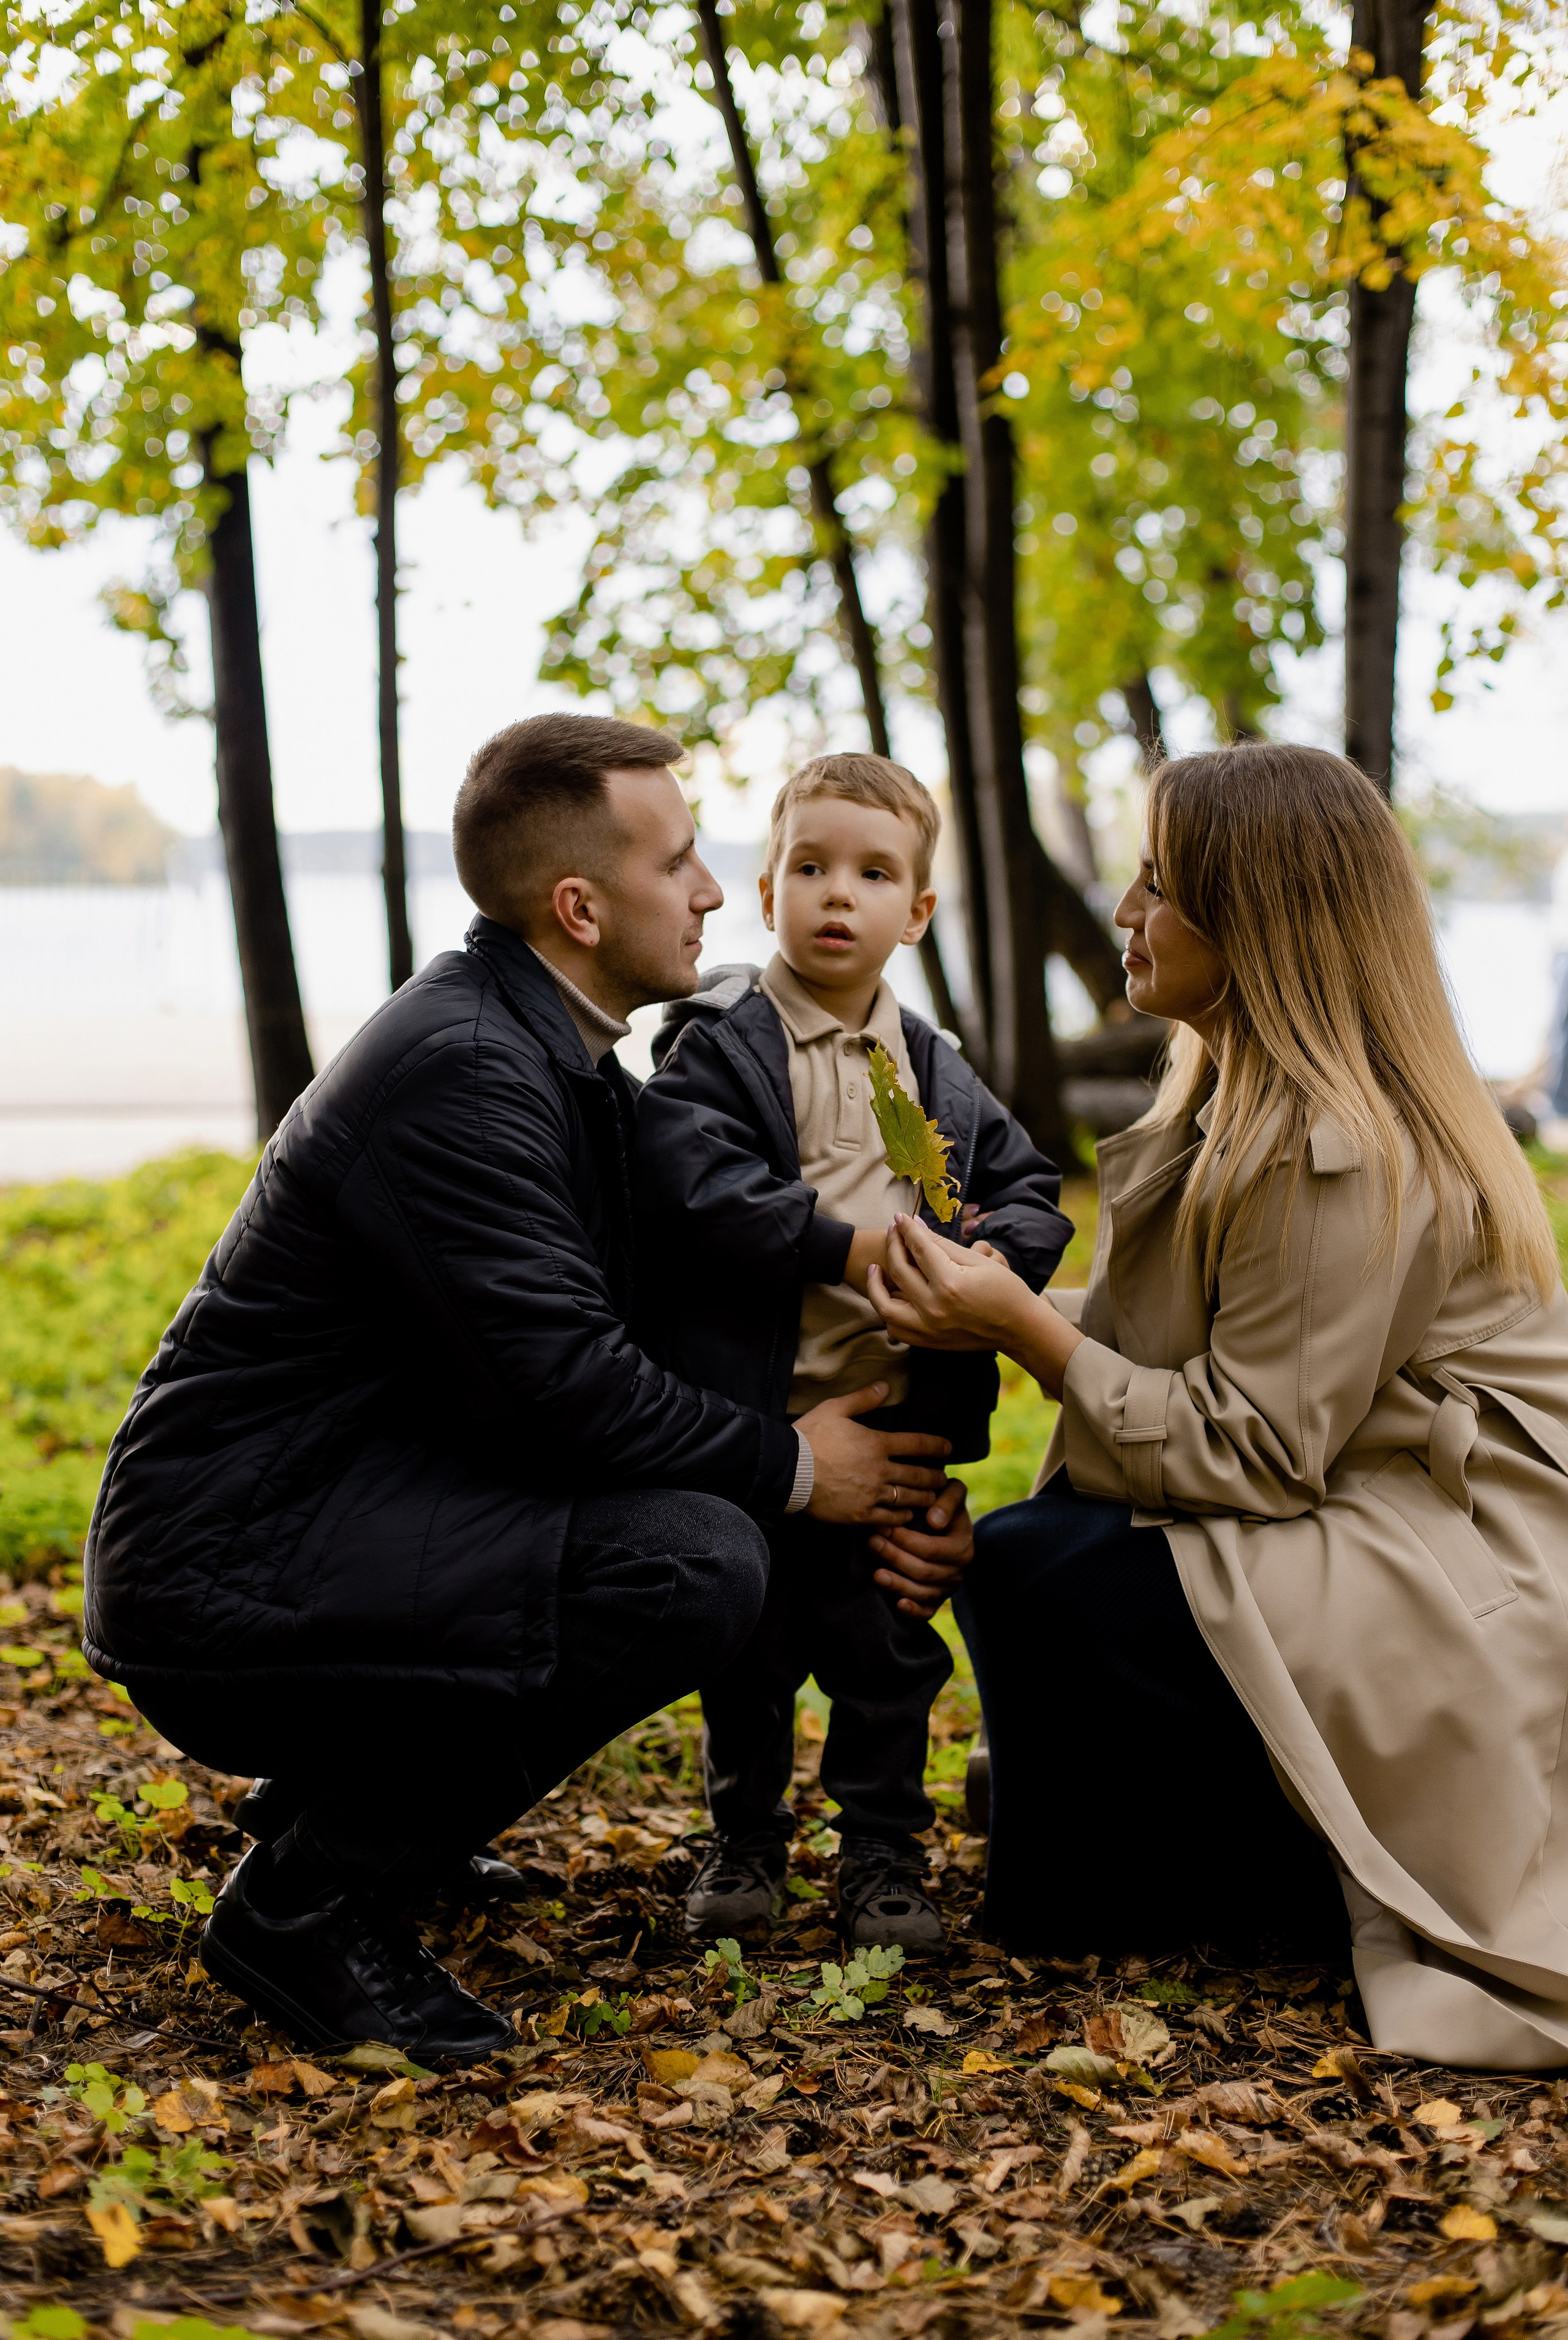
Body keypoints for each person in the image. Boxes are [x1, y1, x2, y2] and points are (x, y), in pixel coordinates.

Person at [81, 714, 974, 2061]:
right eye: (677, 862)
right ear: (578, 905)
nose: (714, 893)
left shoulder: (554, 1051)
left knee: (690, 1535)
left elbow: (645, 1328)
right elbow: (579, 1393)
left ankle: (345, 1809)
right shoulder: (475, 1074)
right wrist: (801, 1472)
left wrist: (902, 1475)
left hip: (318, 1526)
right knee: (687, 1566)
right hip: (221, 1577)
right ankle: (314, 1900)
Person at [869, 741, 1568, 2070]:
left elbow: (1250, 1446)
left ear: (1258, 920)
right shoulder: (1239, 1096)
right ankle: (1175, 1833)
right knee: (1042, 1561)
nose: (1124, 915)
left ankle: (1220, 1865)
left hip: (1460, 1531)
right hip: (1358, 1473)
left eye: (1157, 887)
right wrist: (988, 1306)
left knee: (1046, 1571)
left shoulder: (1334, 1149)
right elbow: (1208, 1350)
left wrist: (1018, 1325)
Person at [634, 755, 1071, 1955]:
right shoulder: (720, 1046)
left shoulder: (926, 1068)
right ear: (765, 886)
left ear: (916, 914)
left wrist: (984, 1273)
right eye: (811, 868)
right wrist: (841, 1247)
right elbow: (692, 1188)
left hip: (896, 1422)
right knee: (753, 1650)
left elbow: (1027, 1191)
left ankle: (881, 1848)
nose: (838, 895)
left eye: (873, 875)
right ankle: (745, 1839)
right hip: (761, 1423)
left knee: (885, 1645)